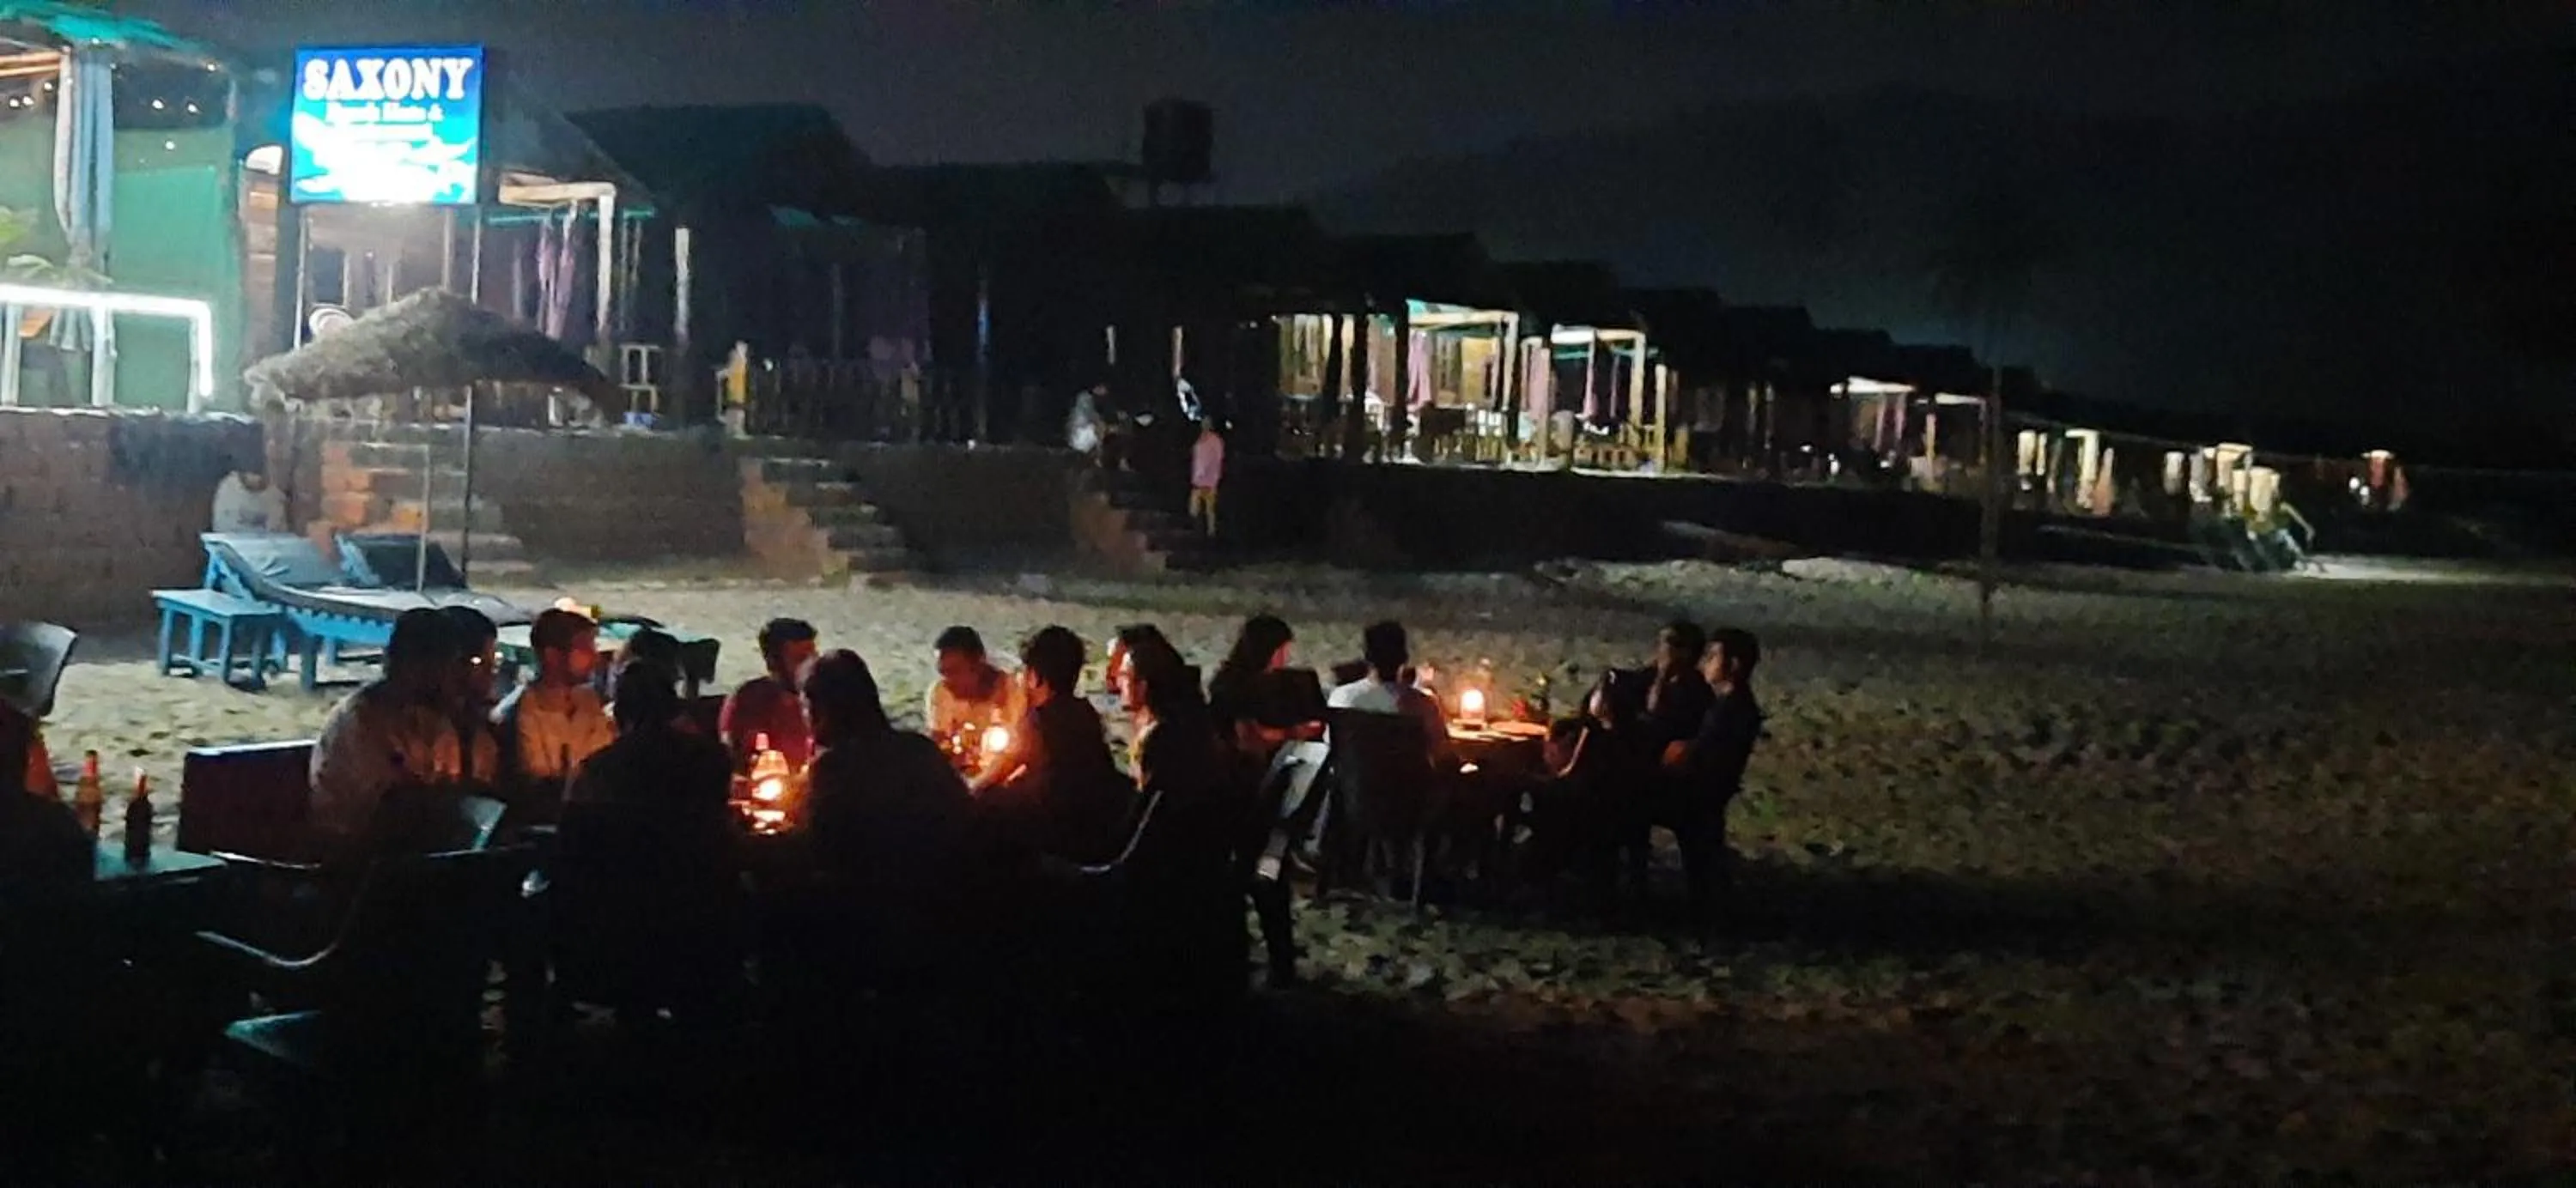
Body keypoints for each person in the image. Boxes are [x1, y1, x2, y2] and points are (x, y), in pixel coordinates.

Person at [550, 659, 741, 1024]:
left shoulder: (598, 769)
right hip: (699, 921)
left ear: (620, 712)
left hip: (615, 930)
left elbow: (569, 847)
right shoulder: (711, 760)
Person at [799, 651, 982, 994]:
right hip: (948, 907)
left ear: (823, 709)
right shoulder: (919, 749)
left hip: (875, 924)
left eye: (808, 708)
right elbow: (965, 814)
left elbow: (821, 849)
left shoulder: (835, 769)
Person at [308, 609, 497, 856]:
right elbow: (391, 808)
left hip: (421, 855)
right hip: (355, 857)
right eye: (447, 665)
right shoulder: (362, 719)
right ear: (414, 664)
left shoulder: (438, 720)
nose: (454, 677)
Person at [973, 627, 1126, 863]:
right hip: (1094, 822)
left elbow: (999, 770)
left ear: (1035, 676)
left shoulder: (1039, 720)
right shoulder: (1085, 713)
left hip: (1057, 832)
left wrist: (966, 791)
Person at [1654, 628, 1765, 914]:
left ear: (1734, 665)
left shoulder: (1732, 709)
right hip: (1704, 795)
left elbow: (1695, 756)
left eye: (1714, 656)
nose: (1706, 663)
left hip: (1694, 798)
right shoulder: (1730, 704)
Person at [492, 609, 617, 822]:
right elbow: (535, 784)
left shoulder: (589, 703)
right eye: (585, 648)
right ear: (552, 655)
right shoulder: (519, 711)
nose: (595, 657)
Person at [1326, 621, 1447, 755]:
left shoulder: (1341, 698)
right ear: (1404, 658)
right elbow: (1439, 749)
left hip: (1357, 775)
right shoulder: (1425, 705)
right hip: (1407, 775)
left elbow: (1331, 745)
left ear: (1366, 657)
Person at [721, 617, 819, 769]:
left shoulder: (827, 699)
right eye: (800, 659)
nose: (810, 666)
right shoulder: (748, 700)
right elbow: (734, 753)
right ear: (773, 662)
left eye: (813, 657)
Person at [1206, 615, 1295, 752]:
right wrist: (1294, 733)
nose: (1286, 657)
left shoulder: (1234, 680)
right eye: (1283, 651)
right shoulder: (1239, 686)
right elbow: (1248, 738)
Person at [926, 626, 1027, 745]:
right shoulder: (941, 693)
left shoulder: (1014, 692)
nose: (948, 682)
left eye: (955, 671)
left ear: (979, 664)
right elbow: (938, 741)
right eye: (943, 672)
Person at [210, 457, 289, 534]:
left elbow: (279, 534)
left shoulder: (276, 496)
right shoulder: (229, 488)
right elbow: (223, 529)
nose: (257, 479)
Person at [1188, 421, 1225, 536]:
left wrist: (1199, 475)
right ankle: (1210, 531)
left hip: (1200, 481)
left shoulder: (1203, 441)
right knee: (1210, 509)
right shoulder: (1217, 441)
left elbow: (1201, 461)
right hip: (1212, 480)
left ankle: (1198, 530)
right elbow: (1220, 459)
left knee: (1195, 508)